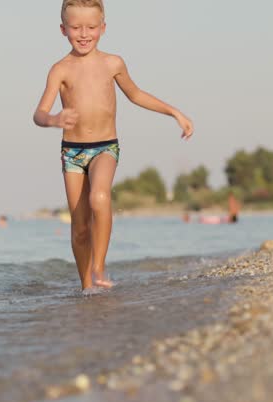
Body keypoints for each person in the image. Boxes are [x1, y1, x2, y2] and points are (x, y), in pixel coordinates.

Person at [33, 0, 193, 290]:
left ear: (103, 28)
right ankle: (87, 287)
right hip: (72, 153)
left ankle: (99, 266)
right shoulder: (60, 69)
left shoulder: (112, 63)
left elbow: (136, 94)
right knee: (80, 227)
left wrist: (175, 112)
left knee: (100, 197)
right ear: (62, 29)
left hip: (106, 146)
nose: (84, 33)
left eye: (91, 27)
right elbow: (39, 114)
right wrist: (54, 119)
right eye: (76, 27)